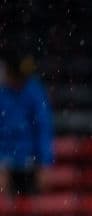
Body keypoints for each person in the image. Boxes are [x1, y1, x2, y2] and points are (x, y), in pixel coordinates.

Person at [0, 50, 53, 196]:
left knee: (31, 210)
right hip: (5, 163)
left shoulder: (33, 90)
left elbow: (43, 128)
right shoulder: (2, 91)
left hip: (30, 163)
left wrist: (44, 164)